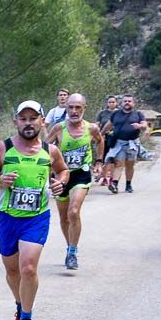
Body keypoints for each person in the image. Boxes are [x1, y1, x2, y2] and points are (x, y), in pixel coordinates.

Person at [0, 100, 68, 320]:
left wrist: (60, 182)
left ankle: (28, 319)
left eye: (33, 118)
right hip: (9, 217)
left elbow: (63, 171)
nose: (28, 123)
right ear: (16, 122)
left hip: (36, 217)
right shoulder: (3, 148)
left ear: (42, 121)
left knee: (28, 268)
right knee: (12, 270)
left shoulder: (50, 151)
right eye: (23, 118)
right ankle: (20, 306)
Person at [46, 93, 102, 270]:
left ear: (84, 108)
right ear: (66, 108)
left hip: (81, 174)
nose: (74, 111)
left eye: (78, 107)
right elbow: (43, 150)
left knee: (74, 211)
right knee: (63, 217)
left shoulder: (91, 128)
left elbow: (100, 141)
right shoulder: (58, 128)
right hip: (61, 176)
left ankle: (72, 252)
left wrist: (99, 162)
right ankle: (69, 246)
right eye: (70, 107)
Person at [104, 95, 148, 193]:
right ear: (121, 103)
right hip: (119, 143)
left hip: (132, 143)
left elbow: (145, 126)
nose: (127, 103)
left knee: (129, 165)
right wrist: (100, 134)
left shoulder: (138, 114)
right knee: (119, 164)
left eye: (129, 101)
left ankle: (128, 185)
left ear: (133, 103)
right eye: (125, 101)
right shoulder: (116, 114)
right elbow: (109, 125)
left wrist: (140, 126)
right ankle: (114, 184)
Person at [95, 95, 118, 185]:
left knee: (113, 159)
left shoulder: (119, 113)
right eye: (109, 102)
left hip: (115, 138)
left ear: (116, 103)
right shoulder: (102, 113)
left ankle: (112, 178)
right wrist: (98, 135)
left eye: (113, 102)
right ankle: (104, 178)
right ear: (107, 103)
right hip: (104, 138)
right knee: (104, 159)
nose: (111, 104)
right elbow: (97, 124)